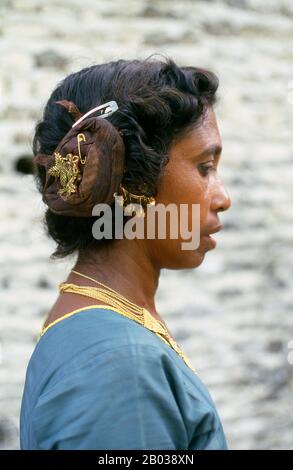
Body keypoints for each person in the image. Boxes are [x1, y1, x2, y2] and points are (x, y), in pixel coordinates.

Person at [20, 56, 231, 450]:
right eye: (204, 168)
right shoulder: (119, 363)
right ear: (133, 181)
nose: (223, 198)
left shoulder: (103, 322)